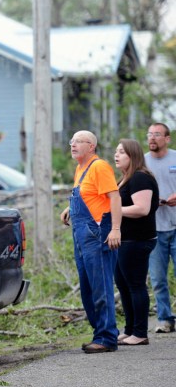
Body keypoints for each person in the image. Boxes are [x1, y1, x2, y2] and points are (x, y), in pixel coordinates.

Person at [60, 130, 122, 354]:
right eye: (72, 141)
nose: (73, 145)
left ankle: (107, 337)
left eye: (79, 141)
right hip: (82, 237)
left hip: (99, 234)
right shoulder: (81, 169)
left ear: (92, 146)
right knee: (87, 288)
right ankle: (102, 332)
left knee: (101, 286)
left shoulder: (99, 167)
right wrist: (69, 208)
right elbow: (90, 196)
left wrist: (115, 229)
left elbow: (114, 197)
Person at [113, 139, 158, 346]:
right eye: (116, 152)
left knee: (135, 285)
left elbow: (142, 208)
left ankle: (140, 333)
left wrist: (112, 211)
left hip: (137, 241)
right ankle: (130, 329)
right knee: (123, 285)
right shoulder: (125, 178)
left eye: (121, 152)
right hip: (124, 240)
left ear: (133, 155)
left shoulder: (140, 177)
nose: (116, 155)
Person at [144, 122, 176, 333]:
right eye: (149, 134)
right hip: (154, 228)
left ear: (167, 138)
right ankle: (165, 319)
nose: (152, 138)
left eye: (157, 134)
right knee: (157, 278)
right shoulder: (142, 162)